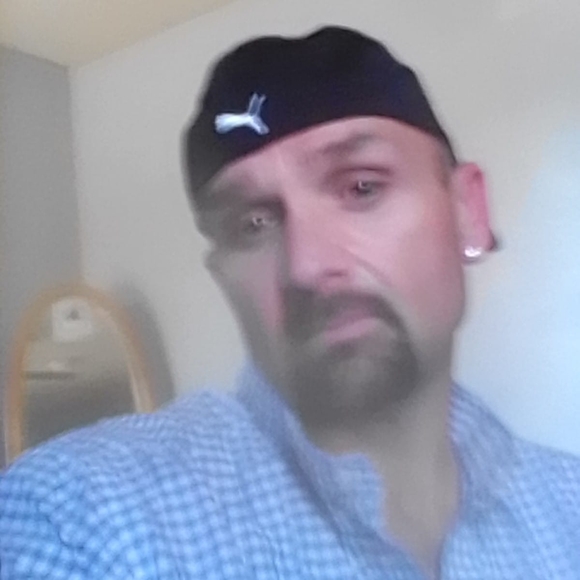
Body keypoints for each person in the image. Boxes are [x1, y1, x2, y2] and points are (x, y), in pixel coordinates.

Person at [1, 25, 579, 580]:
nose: (306, 266)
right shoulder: (81, 520)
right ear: (224, 279)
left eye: (361, 187)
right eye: (252, 224)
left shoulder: (568, 507)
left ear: (468, 212)